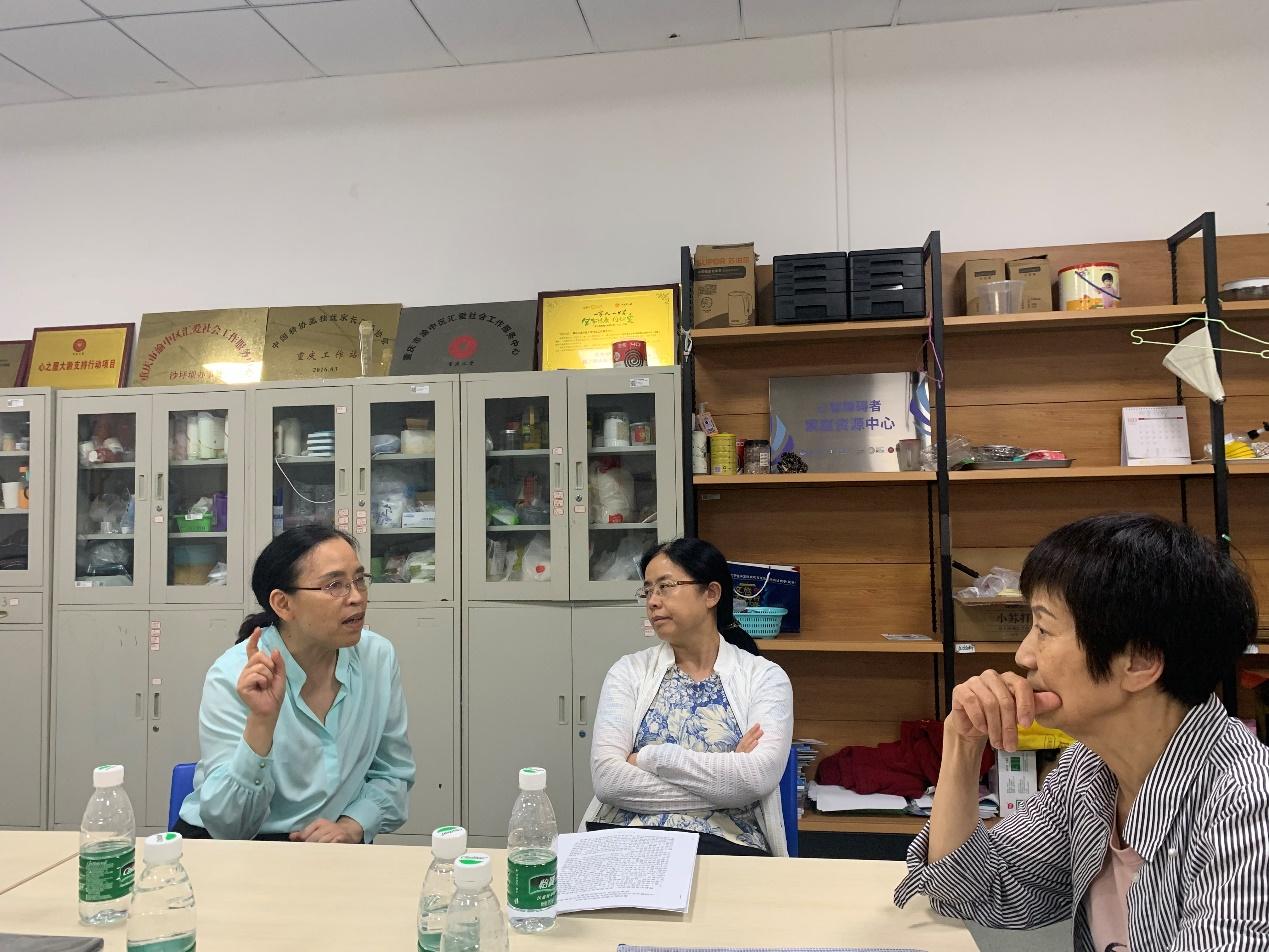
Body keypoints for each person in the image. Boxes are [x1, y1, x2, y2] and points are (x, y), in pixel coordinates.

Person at [895, 513, 1269, 950]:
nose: (1023, 655)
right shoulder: (1088, 767)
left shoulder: (1248, 804)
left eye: (1043, 628)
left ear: (1140, 662)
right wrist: (962, 742)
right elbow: (969, 892)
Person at [177, 525, 415, 842]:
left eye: (359, 580)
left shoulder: (377, 658)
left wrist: (352, 826)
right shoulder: (233, 675)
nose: (357, 597)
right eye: (335, 585)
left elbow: (392, 773)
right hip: (239, 844)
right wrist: (262, 722)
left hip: (330, 842)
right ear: (283, 604)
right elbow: (228, 828)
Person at [583, 537, 794, 856]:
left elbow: (757, 776)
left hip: (727, 846)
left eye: (665, 587)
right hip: (630, 844)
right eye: (648, 590)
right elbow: (608, 780)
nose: (653, 601)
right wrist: (729, 785)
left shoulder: (764, 678)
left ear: (711, 594)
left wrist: (652, 758)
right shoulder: (628, 672)